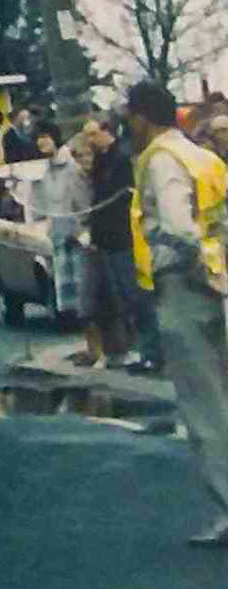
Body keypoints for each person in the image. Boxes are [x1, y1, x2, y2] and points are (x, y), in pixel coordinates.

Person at [125, 80, 228, 548]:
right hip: (220, 282)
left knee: (206, 406)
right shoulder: (205, 158)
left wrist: (188, 260)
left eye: (130, 117)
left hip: (187, 286)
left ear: (142, 117)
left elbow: (179, 228)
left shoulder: (162, 161)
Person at [82, 116, 163, 371]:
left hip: (124, 238)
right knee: (123, 299)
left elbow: (116, 198)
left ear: (108, 132)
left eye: (93, 135)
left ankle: (151, 351)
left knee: (137, 296)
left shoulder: (122, 160)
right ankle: (139, 348)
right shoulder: (102, 160)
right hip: (107, 240)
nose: (90, 141)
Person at [33, 120, 91, 344]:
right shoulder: (45, 170)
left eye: (45, 136)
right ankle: (79, 337)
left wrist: (81, 229)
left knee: (84, 288)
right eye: (38, 138)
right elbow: (40, 204)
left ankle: (91, 342)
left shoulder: (72, 166)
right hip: (57, 234)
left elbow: (82, 199)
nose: (41, 142)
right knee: (65, 289)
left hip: (77, 235)